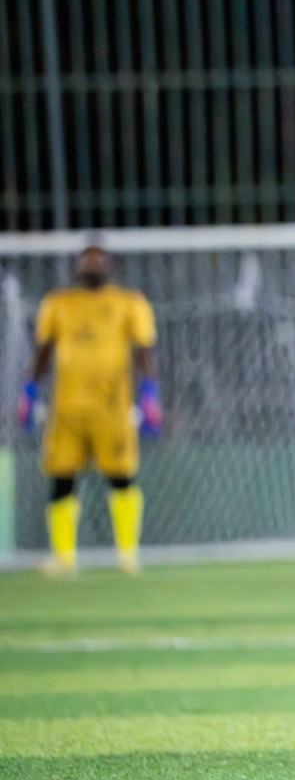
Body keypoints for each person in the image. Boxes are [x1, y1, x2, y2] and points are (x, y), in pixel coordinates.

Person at [16, 246, 161, 577]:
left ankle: (128, 555)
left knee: (121, 476)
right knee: (61, 477)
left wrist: (150, 394)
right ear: (78, 267)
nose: (92, 266)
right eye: (86, 260)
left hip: (112, 407)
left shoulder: (129, 302)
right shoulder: (58, 303)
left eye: (98, 260)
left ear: (111, 266)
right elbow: (44, 350)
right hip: (66, 408)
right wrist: (29, 390)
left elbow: (144, 350)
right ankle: (63, 559)